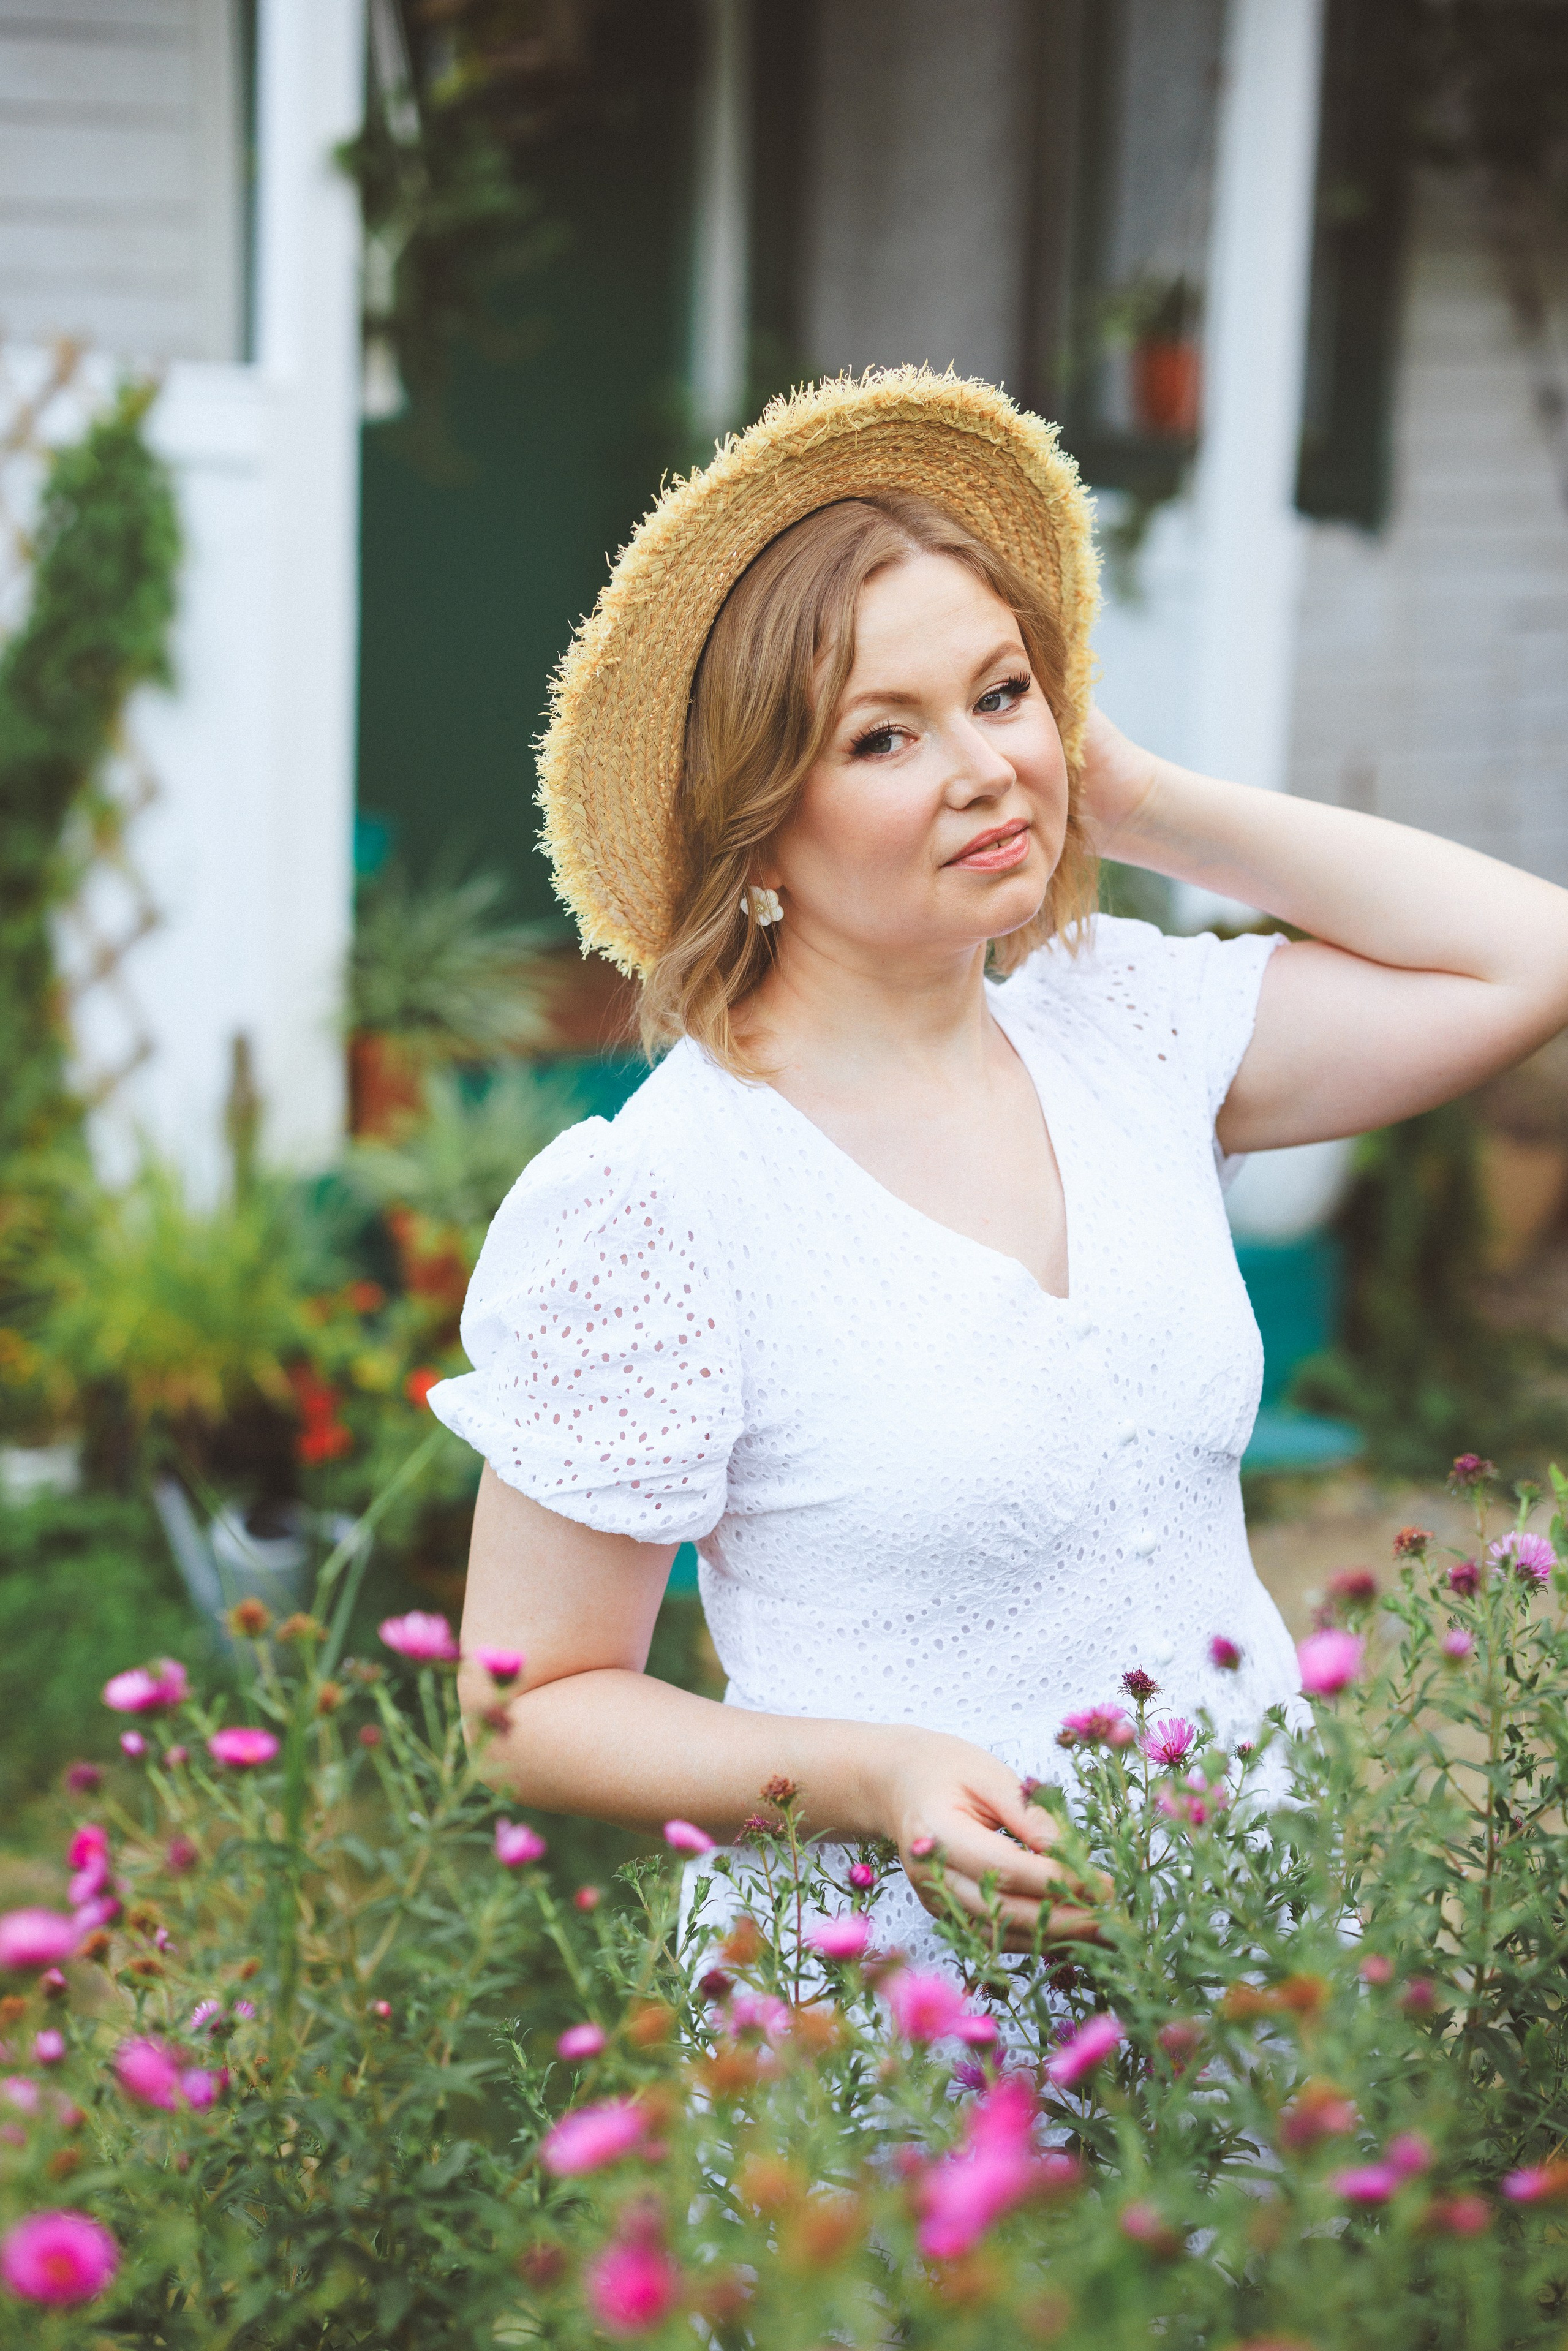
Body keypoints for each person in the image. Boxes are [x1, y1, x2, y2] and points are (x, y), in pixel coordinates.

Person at [430, 369, 1568, 1960]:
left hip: (1243, 1974)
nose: (980, 768)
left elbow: (1526, 960)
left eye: (1004, 693)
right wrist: (874, 1776)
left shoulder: (1127, 1031)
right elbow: (530, 1705)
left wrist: (1144, 800)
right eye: (884, 736)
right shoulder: (662, 1199)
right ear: (757, 827)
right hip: (894, 2041)